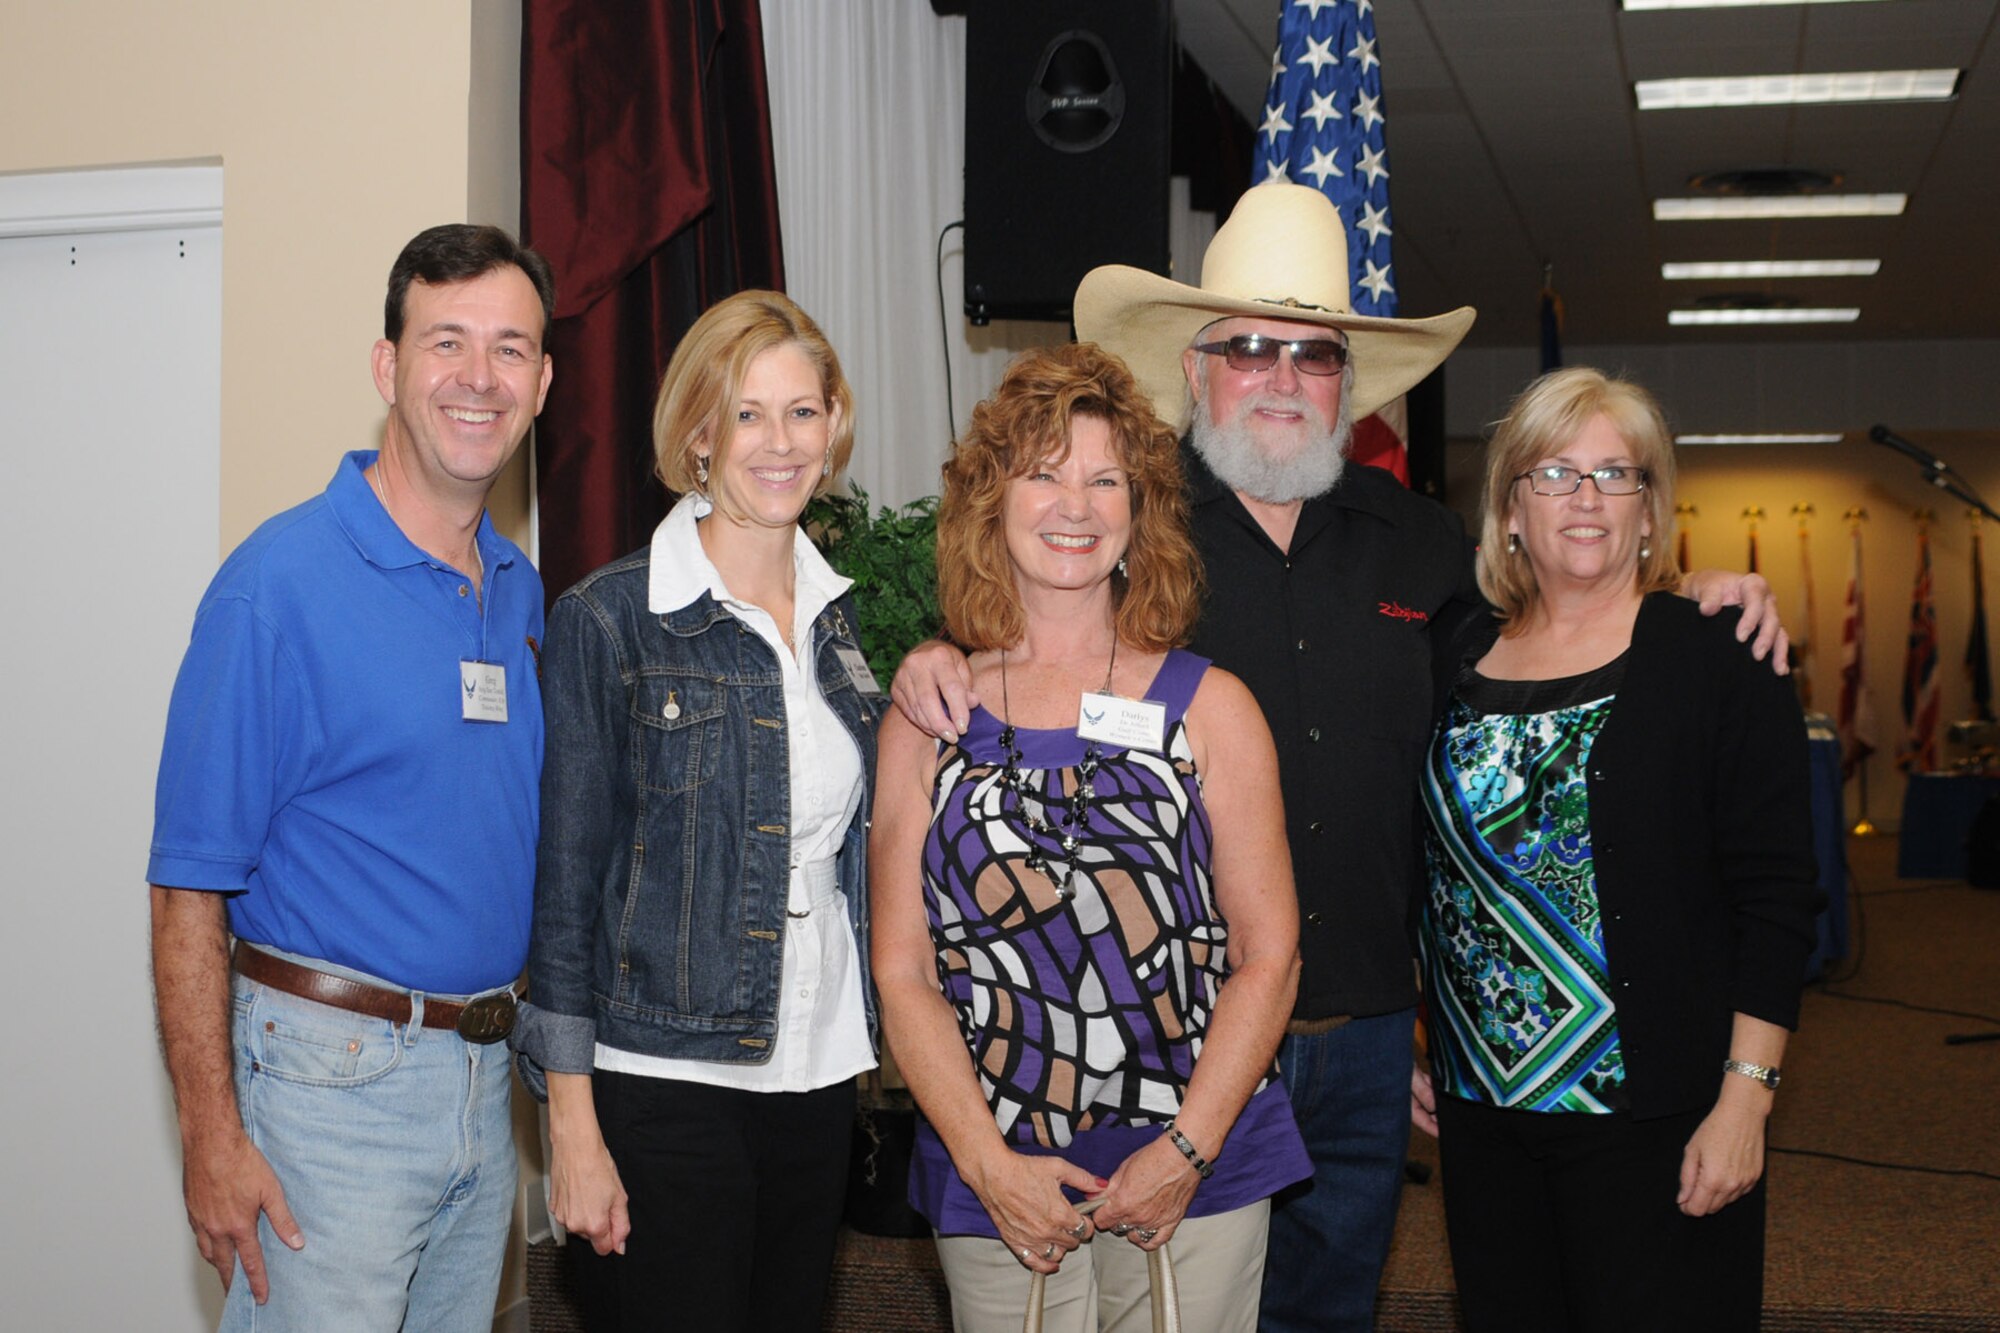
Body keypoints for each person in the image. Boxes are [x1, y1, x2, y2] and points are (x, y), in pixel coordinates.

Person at [892, 182, 1788, 1332]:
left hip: (1371, 1038)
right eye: (1249, 347)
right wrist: (938, 651)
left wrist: (1690, 594)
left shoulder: (1423, 546)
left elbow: (1555, 638)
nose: (1278, 377)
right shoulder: (1131, 531)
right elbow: (1028, 626)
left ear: (1347, 386)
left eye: (1312, 355)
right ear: (1198, 367)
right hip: (1185, 1047)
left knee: (1328, 1316)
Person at [148, 223, 554, 1330]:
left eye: (511, 349)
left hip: (482, 1090)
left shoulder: (519, 592)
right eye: (447, 343)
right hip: (330, 1091)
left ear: (543, 380)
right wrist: (209, 1135)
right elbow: (187, 887)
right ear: (387, 366)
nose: (479, 379)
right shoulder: (273, 588)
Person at [872, 343, 1310, 1333]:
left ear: (1137, 511)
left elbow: (1269, 956)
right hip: (994, 1178)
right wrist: (991, 1168)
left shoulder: (1214, 708)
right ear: (993, 501)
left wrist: (1183, 1154)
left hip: (1198, 1167)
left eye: (1103, 479)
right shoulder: (928, 714)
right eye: (1043, 473)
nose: (1073, 504)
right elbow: (901, 971)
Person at [1408, 367, 1818, 1331]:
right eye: (1553, 473)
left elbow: (1777, 896)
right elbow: (1419, 862)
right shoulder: (1450, 648)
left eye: (1614, 474)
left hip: (1659, 1114)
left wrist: (1747, 1100)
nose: (1585, 498)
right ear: (1510, 510)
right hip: (1480, 1115)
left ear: (1649, 511)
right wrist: (1416, 1035)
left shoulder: (1718, 653)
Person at [512, 289, 882, 1332]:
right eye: (748, 413)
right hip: (660, 1084)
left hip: (817, 1071)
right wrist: (571, 1131)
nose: (779, 441)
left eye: (802, 412)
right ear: (699, 434)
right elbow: (565, 891)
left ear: (833, 426)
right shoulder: (610, 619)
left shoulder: (841, 623)